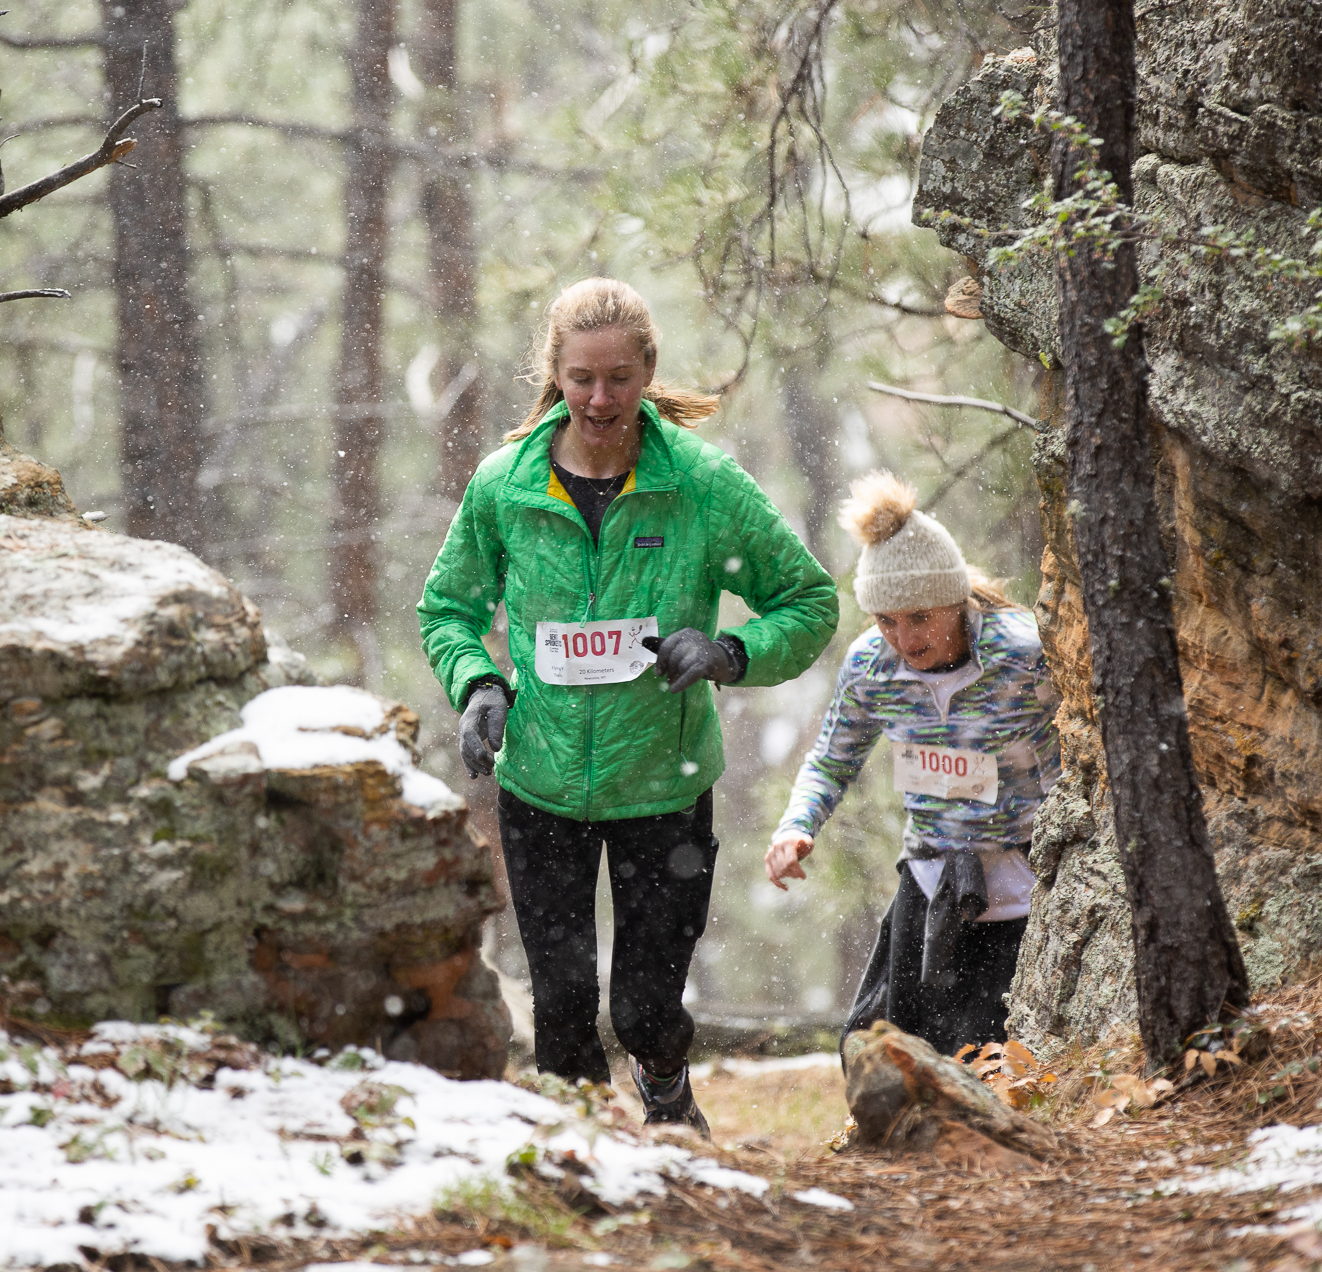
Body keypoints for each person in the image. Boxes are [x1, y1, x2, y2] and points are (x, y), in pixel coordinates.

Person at [418, 278, 838, 1134]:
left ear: (648, 371)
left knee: (646, 1008)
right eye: (581, 378)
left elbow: (809, 600)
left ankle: (664, 1080)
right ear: (556, 373)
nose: (600, 399)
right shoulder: (506, 486)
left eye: (618, 378)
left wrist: (730, 653)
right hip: (541, 784)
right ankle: (584, 1162)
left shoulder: (701, 484)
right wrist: (479, 684)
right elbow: (447, 609)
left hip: (662, 784)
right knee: (563, 1011)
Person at [764, 470, 1059, 1059]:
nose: (903, 637)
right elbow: (830, 760)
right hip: (929, 881)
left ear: (956, 600)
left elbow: (1078, 766)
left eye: (920, 616)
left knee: (992, 1059)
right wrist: (796, 826)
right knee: (879, 1051)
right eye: (886, 620)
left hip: (1024, 887)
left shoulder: (1024, 655)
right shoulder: (870, 666)